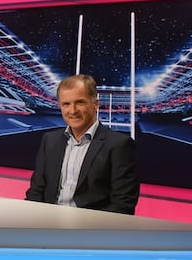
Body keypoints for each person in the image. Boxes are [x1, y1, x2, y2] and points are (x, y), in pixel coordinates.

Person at [25, 74, 139, 214]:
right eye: (66, 104)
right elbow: (35, 192)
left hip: (90, 229)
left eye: (80, 102)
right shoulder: (49, 140)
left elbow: (122, 206)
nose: (72, 111)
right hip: (48, 223)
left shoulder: (119, 145)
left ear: (95, 104)